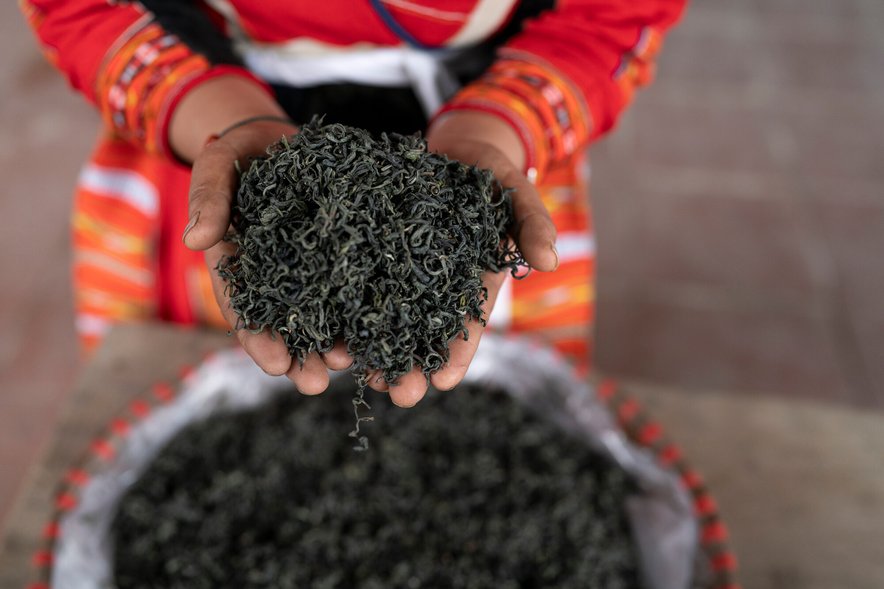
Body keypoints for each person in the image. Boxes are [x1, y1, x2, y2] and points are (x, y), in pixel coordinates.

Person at [23, 0, 685, 407]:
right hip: (203, 117)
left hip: (495, 105)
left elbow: (612, 14)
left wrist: (495, 128)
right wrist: (222, 118)